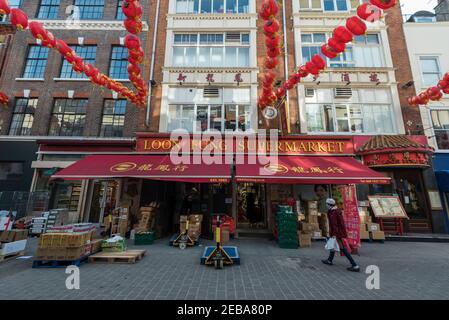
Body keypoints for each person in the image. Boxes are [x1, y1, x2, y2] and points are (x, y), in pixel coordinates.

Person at [322, 198, 360, 272]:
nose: (326, 205)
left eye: (327, 204)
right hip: (337, 232)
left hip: (337, 233)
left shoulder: (333, 213)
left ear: (329, 204)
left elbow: (334, 224)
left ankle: (355, 265)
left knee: (342, 248)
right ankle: (329, 260)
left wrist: (334, 234)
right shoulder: (334, 211)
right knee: (332, 246)